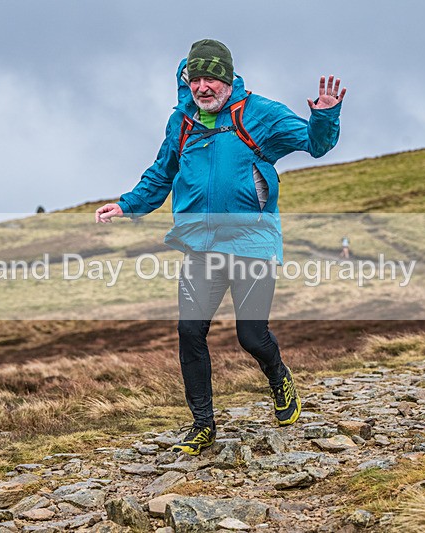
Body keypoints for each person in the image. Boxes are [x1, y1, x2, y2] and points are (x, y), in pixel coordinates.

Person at [95, 39, 345, 455]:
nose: (203, 86)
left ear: (228, 80)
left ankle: (279, 376)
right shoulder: (182, 123)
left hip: (251, 244)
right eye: (195, 79)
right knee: (190, 331)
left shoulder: (260, 115)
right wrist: (126, 204)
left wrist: (324, 114)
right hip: (200, 247)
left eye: (211, 78)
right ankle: (202, 424)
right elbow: (162, 174)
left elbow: (315, 145)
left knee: (251, 335)